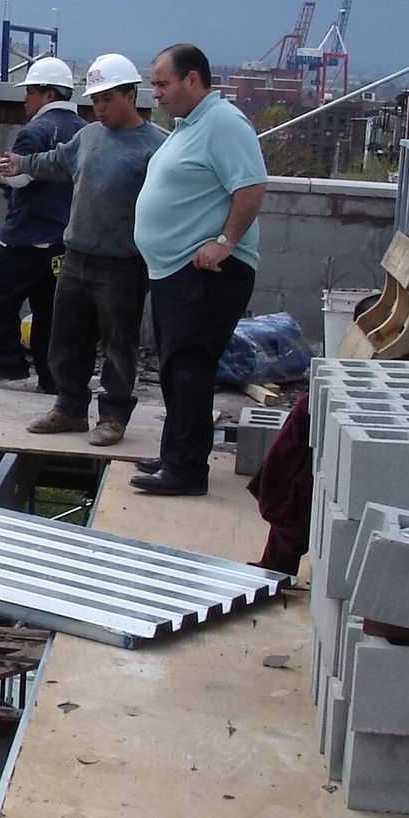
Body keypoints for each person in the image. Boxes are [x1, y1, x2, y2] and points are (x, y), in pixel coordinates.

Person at [0, 53, 165, 446]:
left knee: (119, 343)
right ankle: (70, 408)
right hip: (77, 255)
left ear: (130, 95)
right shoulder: (88, 136)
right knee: (66, 337)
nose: (100, 108)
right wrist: (22, 163)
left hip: (123, 262)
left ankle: (114, 416)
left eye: (108, 99)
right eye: (95, 100)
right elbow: (57, 161)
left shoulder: (156, 147)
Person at [129, 43, 269, 495]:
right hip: (174, 270)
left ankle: (187, 470)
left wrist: (225, 242)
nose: (157, 94)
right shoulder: (189, 126)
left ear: (193, 80)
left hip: (206, 272)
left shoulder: (223, 123)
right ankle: (175, 455)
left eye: (163, 83)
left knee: (190, 367)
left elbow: (250, 186)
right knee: (174, 367)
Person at [0, 55, 83, 389]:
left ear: (49, 95)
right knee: (50, 313)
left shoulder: (35, 132)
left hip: (23, 238)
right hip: (64, 241)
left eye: (31, 93)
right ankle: (50, 378)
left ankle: (10, 365)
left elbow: (17, 178)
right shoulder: (86, 131)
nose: (26, 100)